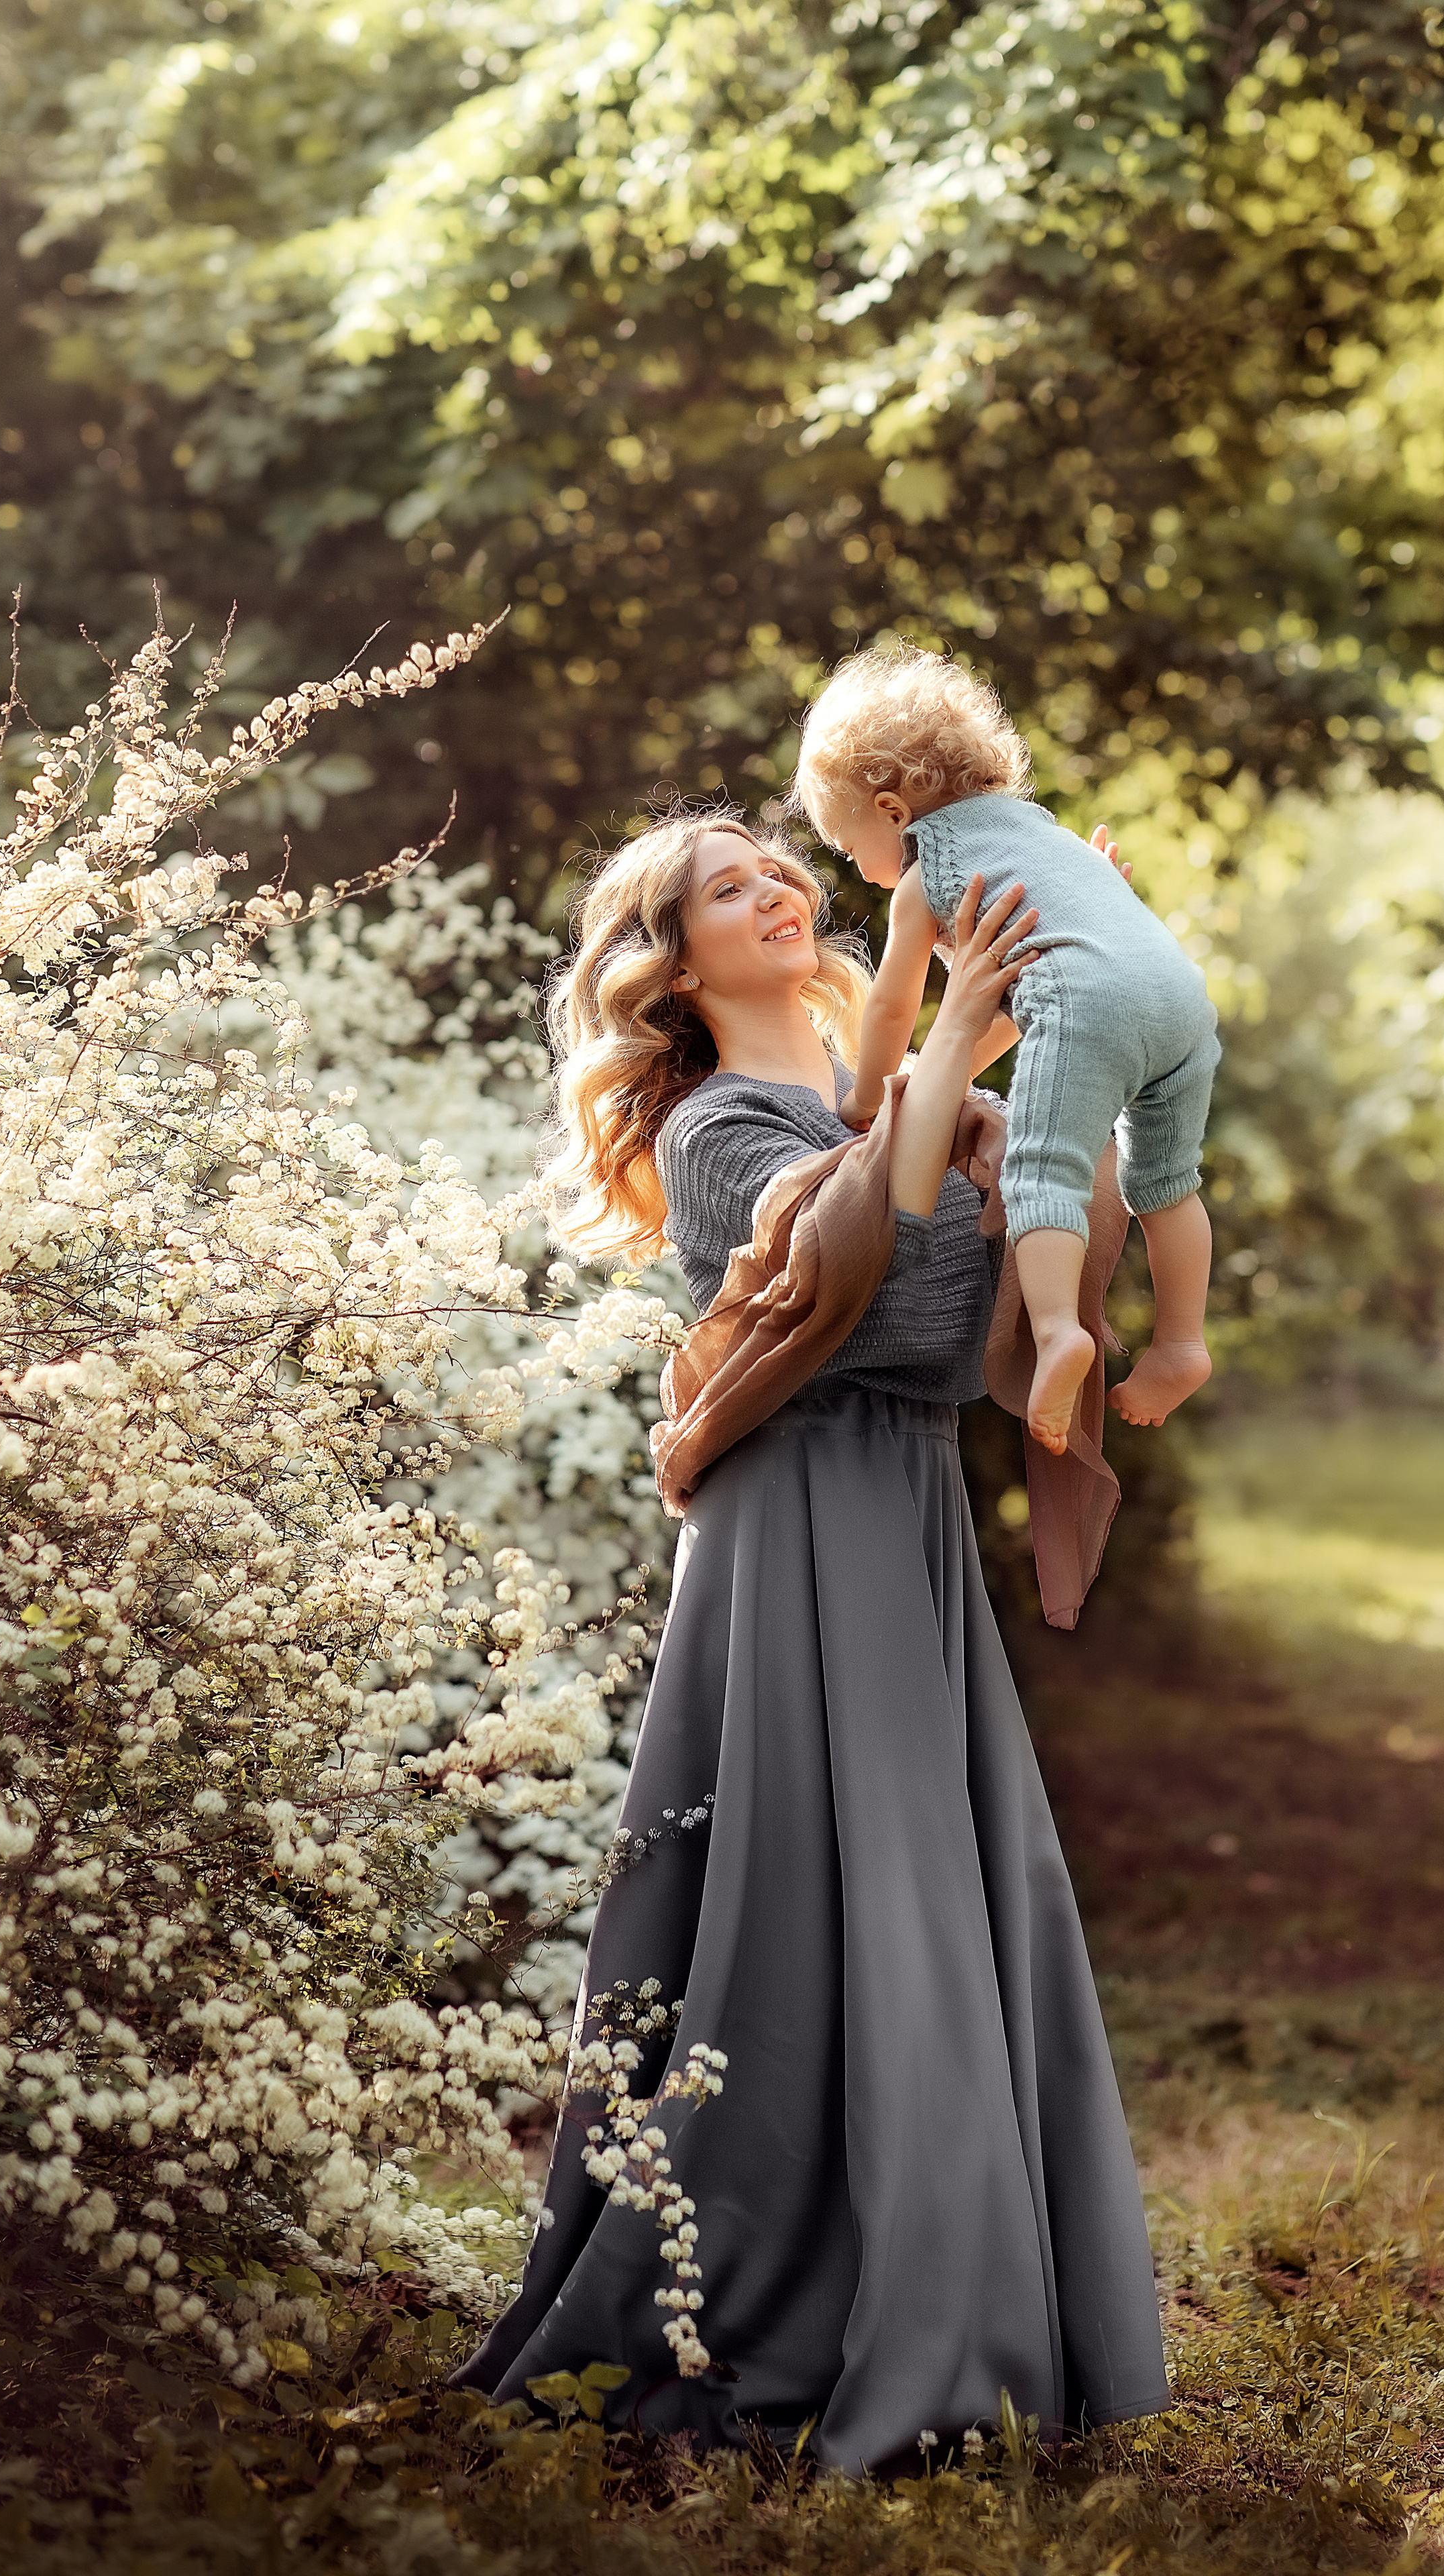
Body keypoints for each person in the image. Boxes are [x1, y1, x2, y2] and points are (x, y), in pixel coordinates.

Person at [453, 805, 1170, 2473]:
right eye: (723, 883)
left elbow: (975, 1324)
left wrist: (1071, 1008)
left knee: (933, 1905)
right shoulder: (717, 1126)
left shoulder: (898, 1091)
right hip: (797, 1535)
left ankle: (963, 2298)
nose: (774, 882)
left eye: (778, 862)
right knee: (810, 1921)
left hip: (902, 1519)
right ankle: (810, 2309)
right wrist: (950, 1054)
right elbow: (875, 1291)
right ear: (669, 962)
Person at [792, 643, 1220, 1457]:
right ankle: (1180, 1343)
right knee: (1165, 1181)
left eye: (849, 851)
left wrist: (868, 1090)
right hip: (1179, 999)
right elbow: (1019, 1010)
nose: (860, 869)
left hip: (1090, 1002)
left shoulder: (932, 870)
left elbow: (889, 1004)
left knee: (1042, 1170)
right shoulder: (1042, 836)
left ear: (889, 810)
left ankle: (1058, 1331)